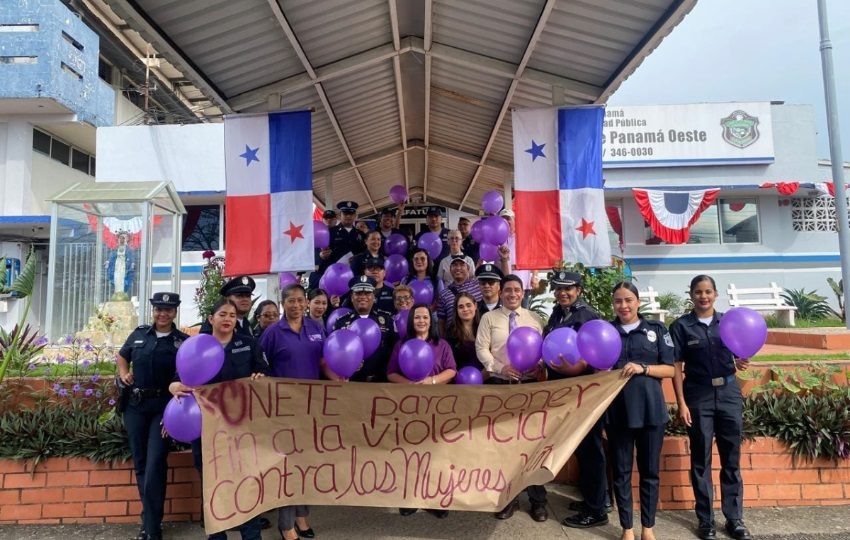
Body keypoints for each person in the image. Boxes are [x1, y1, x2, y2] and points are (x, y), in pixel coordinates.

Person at [169, 299, 269, 540]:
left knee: (247, 481)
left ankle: (251, 535)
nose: (227, 319)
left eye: (232, 315)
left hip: (242, 425)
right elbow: (177, 378)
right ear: (211, 318)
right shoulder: (195, 346)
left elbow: (265, 374)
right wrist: (174, 386)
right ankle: (217, 535)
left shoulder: (249, 344)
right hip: (206, 427)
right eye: (222, 314)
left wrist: (260, 376)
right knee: (212, 484)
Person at [670, 275, 753, 540]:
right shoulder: (681, 326)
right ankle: (705, 520)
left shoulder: (729, 322)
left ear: (716, 294)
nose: (703, 296)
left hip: (728, 392)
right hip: (698, 394)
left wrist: (741, 360)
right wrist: (681, 403)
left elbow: (739, 350)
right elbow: (675, 367)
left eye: (707, 291)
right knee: (700, 460)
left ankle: (734, 518)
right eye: (698, 292)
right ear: (691, 295)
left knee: (731, 458)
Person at [475, 274, 549, 522]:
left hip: (529, 387)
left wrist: (538, 364)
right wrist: (499, 367)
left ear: (523, 292)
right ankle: (508, 499)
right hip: (500, 386)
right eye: (507, 290)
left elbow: (543, 350)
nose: (512, 294)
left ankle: (538, 500)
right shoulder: (489, 318)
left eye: (517, 290)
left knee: (533, 444)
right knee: (504, 445)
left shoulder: (535, 319)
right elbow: (481, 349)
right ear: (500, 292)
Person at [607, 281, 675, 540]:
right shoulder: (607, 331)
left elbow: (669, 369)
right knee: (621, 472)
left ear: (637, 302)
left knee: (649, 471)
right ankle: (627, 528)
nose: (623, 306)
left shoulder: (656, 330)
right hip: (618, 412)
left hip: (651, 412)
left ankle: (648, 527)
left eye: (628, 300)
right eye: (618, 301)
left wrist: (642, 368)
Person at [117, 292, 187, 540]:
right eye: (158, 309)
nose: (162, 313)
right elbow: (122, 356)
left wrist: (174, 416)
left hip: (163, 409)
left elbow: (186, 378)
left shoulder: (183, 342)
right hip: (135, 407)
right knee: (141, 463)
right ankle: (149, 520)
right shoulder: (139, 334)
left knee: (156, 463)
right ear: (153, 311)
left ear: (175, 312)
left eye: (168, 309)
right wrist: (124, 373)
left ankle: (152, 526)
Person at [544, 271, 611, 528]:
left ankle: (597, 511)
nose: (562, 292)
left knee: (591, 450)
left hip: (583, 393)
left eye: (568, 288)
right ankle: (593, 500)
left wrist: (576, 369)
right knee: (582, 450)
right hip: (566, 393)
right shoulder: (558, 313)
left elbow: (595, 357)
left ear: (579, 290)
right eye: (559, 288)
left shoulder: (586, 316)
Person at [260, 284, 323, 540]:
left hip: (312, 408)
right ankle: (286, 526)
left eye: (300, 300)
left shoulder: (317, 328)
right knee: (287, 466)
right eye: (291, 301)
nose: (296, 305)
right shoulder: (273, 333)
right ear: (283, 304)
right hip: (283, 410)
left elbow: (324, 362)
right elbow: (259, 367)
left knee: (306, 464)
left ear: (306, 303)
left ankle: (302, 516)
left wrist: (343, 375)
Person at [387, 303, 457, 518]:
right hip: (409, 407)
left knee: (436, 453)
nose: (421, 321)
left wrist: (432, 381)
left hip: (437, 408)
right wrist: (409, 385)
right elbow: (390, 373)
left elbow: (452, 370)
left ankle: (435, 499)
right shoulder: (402, 344)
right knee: (410, 453)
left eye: (425, 317)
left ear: (431, 320)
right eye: (417, 317)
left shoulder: (441, 344)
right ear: (411, 321)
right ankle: (410, 498)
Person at [331, 276, 397, 382]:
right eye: (358, 293)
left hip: (381, 383)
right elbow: (334, 353)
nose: (363, 297)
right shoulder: (341, 322)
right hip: (352, 383)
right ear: (352, 297)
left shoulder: (386, 320)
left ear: (373, 297)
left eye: (367, 293)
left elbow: (395, 350)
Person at [436, 255, 482, 336]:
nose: (458, 268)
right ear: (450, 270)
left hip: (479, 336)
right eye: (454, 265)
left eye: (461, 265)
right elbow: (441, 322)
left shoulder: (478, 285)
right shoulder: (443, 294)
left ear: (468, 269)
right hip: (455, 340)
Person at [498, 209, 534, 308]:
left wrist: (535, 276)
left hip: (522, 279)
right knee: (505, 312)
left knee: (522, 312)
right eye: (503, 219)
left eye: (508, 218)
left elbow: (534, 257)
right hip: (502, 281)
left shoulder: (524, 237)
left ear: (514, 220)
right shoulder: (496, 237)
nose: (506, 221)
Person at [445, 292, 483, 371]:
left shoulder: (485, 328)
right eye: (461, 307)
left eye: (468, 305)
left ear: (475, 306)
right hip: (460, 380)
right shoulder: (451, 333)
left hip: (486, 378)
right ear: (457, 310)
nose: (465, 309)